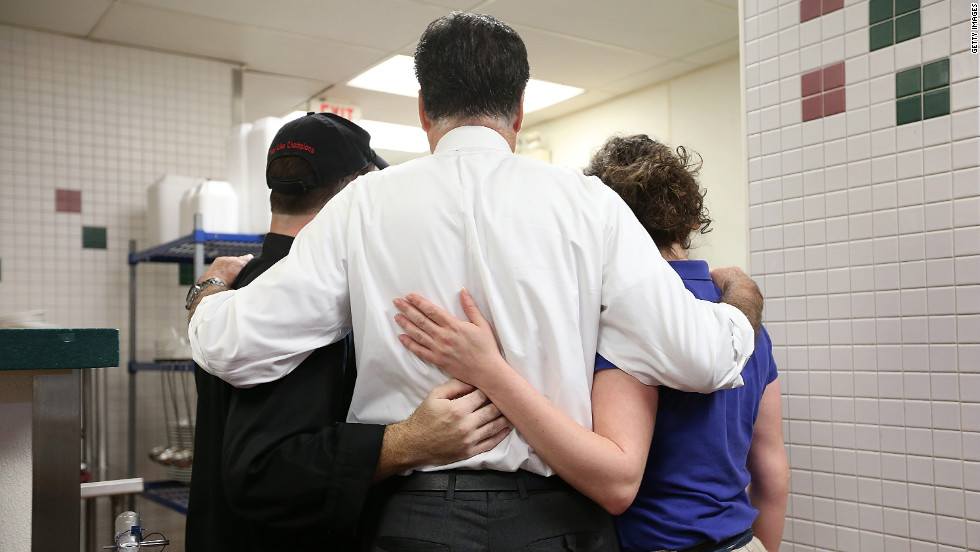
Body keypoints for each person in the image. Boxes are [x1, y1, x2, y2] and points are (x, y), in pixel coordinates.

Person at [188, 12, 764, 551]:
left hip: (410, 524)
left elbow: (233, 349)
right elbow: (703, 360)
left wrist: (207, 296)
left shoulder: (364, 205)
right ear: (519, 110)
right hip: (556, 526)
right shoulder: (589, 205)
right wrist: (740, 302)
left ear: (422, 109)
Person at [394, 136, 788, 552]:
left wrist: (488, 369)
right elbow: (771, 471)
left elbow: (613, 478)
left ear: (602, 223)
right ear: (691, 220)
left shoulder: (620, 318)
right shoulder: (742, 323)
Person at [184, 112, 510, 551]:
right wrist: (406, 442)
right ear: (359, 186)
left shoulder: (237, 290)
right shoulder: (310, 299)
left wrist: (204, 289)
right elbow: (265, 471)